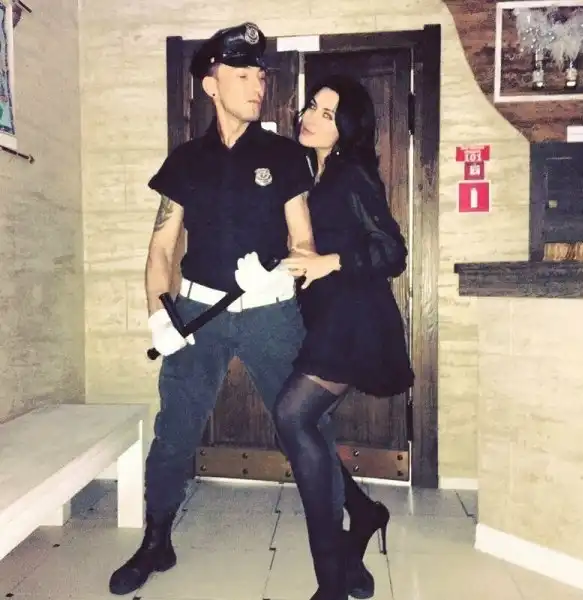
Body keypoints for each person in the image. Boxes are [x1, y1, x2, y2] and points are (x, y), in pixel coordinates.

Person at [107, 23, 377, 597]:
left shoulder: (284, 156)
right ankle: (157, 540)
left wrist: (278, 272)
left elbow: (303, 241)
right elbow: (161, 248)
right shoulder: (185, 161)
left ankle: (337, 548)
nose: (258, 86)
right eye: (244, 75)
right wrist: (160, 314)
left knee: (307, 429)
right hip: (197, 312)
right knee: (175, 429)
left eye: (260, 75)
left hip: (270, 315)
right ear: (212, 84)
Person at [273, 76, 415, 600]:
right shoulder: (312, 172)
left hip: (354, 317)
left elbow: (393, 252)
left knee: (292, 416)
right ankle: (363, 511)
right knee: (298, 424)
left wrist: (329, 261)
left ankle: (331, 583)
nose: (310, 117)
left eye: (328, 114)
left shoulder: (350, 173)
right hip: (326, 316)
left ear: (347, 127)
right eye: (312, 106)